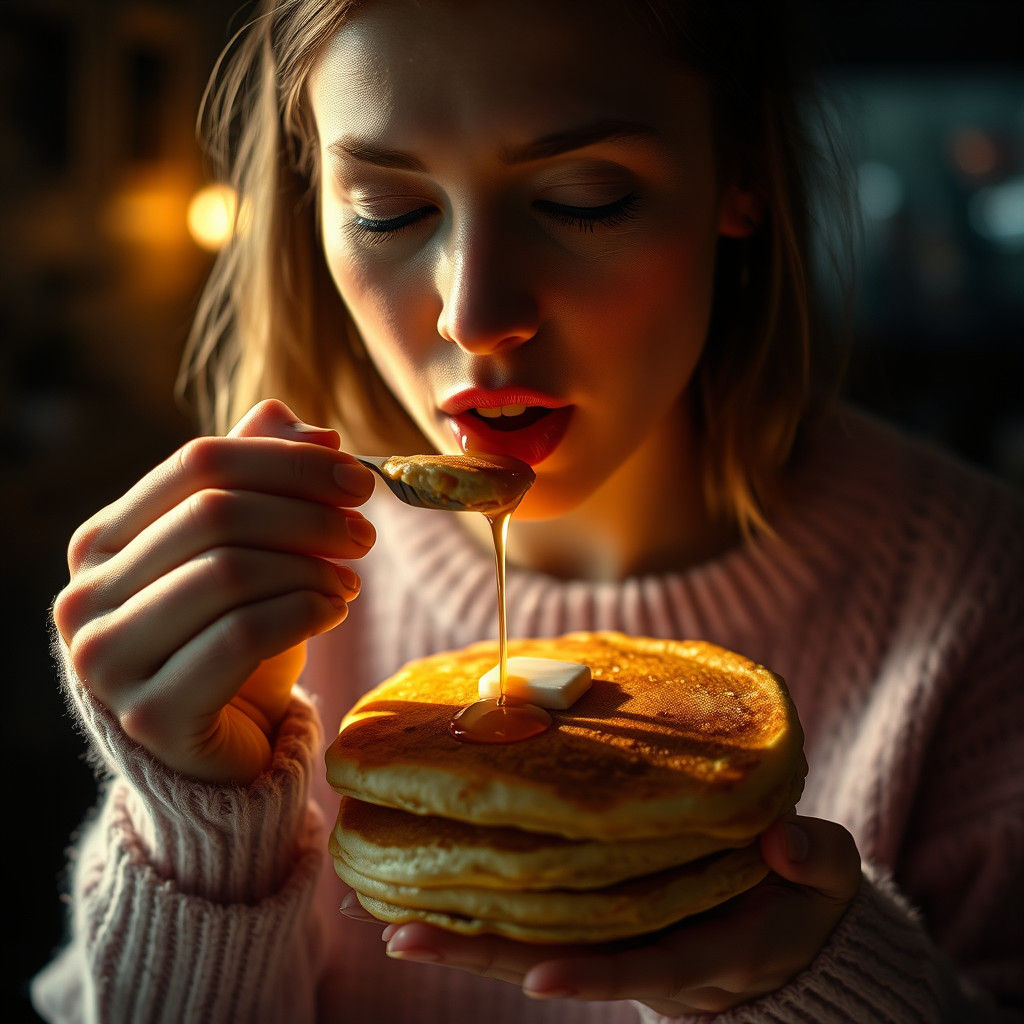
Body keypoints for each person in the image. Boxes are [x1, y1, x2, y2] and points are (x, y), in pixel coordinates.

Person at [33, 0, 1023, 1021]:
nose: (476, 313)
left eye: (584, 199)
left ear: (741, 177)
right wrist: (198, 836)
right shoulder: (263, 620)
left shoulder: (976, 591)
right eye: (387, 211)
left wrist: (830, 988)